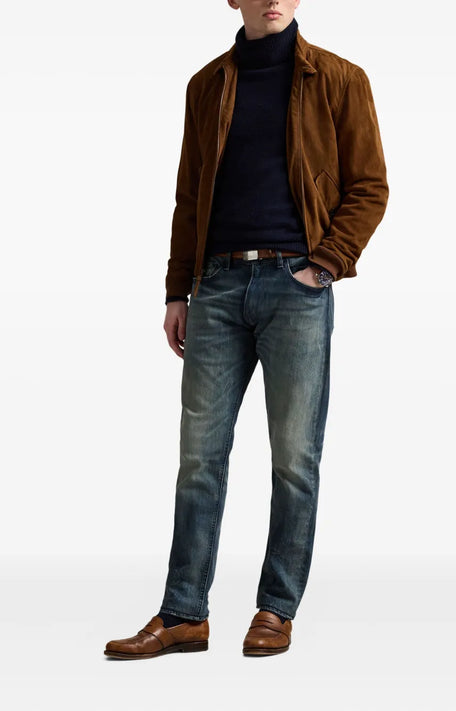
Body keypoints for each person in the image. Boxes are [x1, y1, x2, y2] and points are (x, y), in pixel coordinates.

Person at [104, 0, 388, 659]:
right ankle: (183, 613)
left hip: (296, 286)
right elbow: (188, 193)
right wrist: (177, 288)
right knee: (198, 459)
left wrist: (323, 265)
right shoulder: (207, 84)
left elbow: (369, 186)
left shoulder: (340, 78)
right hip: (217, 285)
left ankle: (275, 608)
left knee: (294, 459)